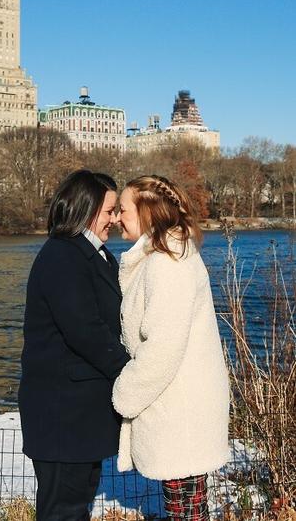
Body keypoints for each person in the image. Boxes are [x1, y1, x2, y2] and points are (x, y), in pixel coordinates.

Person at [112, 175, 229, 521]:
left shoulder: (168, 263)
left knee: (186, 512)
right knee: (189, 509)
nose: (117, 217)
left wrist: (125, 393)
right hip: (179, 406)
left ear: (147, 213)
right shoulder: (166, 256)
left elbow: (162, 347)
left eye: (123, 209)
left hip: (180, 411)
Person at [18, 169, 130, 521]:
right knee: (63, 510)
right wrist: (131, 372)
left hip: (80, 413)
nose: (114, 219)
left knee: (74, 505)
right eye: (109, 211)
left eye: (115, 211)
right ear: (86, 207)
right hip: (62, 414)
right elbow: (85, 330)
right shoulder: (63, 255)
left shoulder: (94, 255)